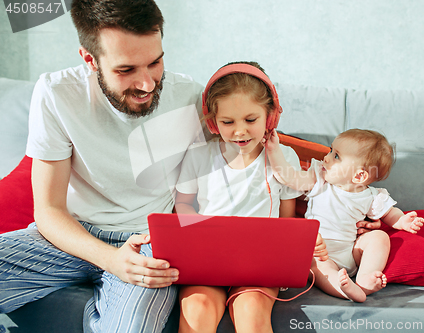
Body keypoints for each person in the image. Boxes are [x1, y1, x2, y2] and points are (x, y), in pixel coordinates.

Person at [0, 0, 207, 332]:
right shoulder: (56, 94)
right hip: (70, 238)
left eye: (155, 62)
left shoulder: (189, 96)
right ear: (89, 59)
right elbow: (49, 210)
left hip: (147, 242)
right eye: (126, 70)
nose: (148, 84)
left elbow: (246, 135)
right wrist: (111, 261)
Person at [174, 61, 325, 333]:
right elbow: (183, 203)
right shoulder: (198, 156)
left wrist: (303, 245)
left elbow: (286, 218)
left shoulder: (282, 158)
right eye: (228, 122)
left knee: (251, 311)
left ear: (270, 118)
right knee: (197, 310)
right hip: (209, 260)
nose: (240, 131)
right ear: (213, 123)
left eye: (250, 120)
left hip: (261, 265)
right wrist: (197, 232)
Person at [265, 128, 424, 302]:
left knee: (379, 237)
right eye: (331, 150)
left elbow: (389, 213)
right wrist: (274, 150)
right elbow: (289, 178)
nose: (326, 158)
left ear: (359, 176)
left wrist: (402, 220)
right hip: (321, 254)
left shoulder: (371, 195)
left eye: (336, 156)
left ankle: (365, 277)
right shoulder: (320, 180)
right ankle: (344, 288)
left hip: (351, 252)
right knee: (316, 268)